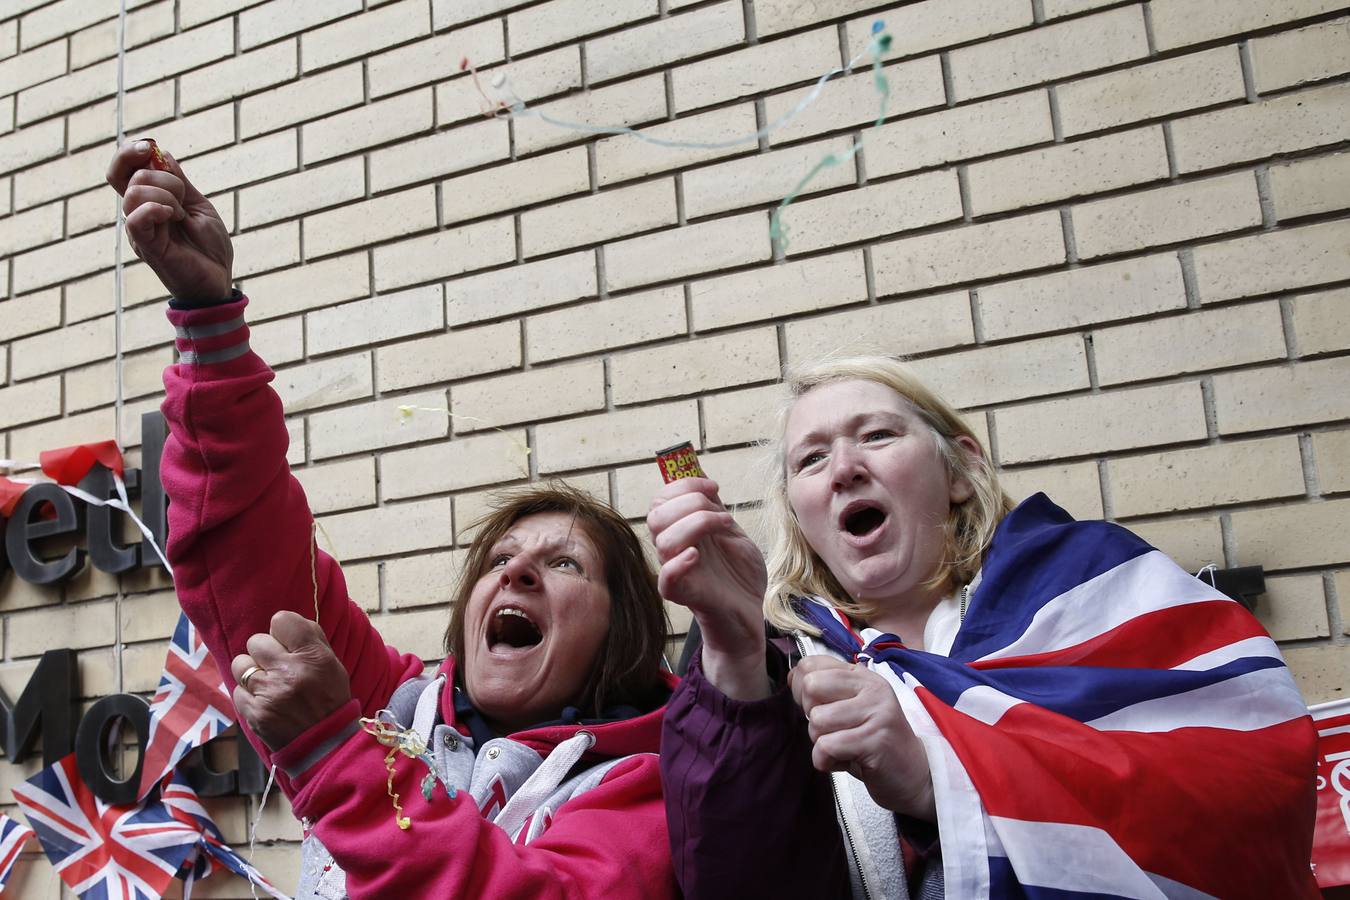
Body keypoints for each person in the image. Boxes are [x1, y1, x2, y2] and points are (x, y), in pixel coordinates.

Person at [106, 140, 678, 899]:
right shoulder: (388, 708)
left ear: (624, 629)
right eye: (500, 558)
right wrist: (210, 319)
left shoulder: (655, 783)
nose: (516, 569)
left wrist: (331, 750)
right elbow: (245, 544)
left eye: (565, 563)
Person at [650, 357, 1319, 899]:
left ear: (960, 470)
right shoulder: (763, 667)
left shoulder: (1093, 579)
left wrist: (930, 776)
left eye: (877, 435)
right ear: (800, 516)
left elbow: (1243, 802)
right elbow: (732, 879)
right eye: (811, 460)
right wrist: (737, 661)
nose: (846, 468)